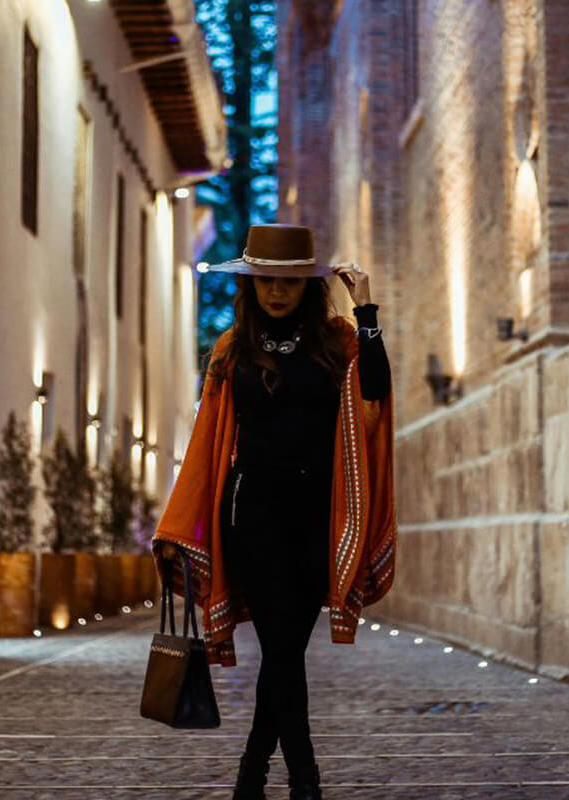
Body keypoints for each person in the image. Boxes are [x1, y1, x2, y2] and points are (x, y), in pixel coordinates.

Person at [153, 223, 397, 800]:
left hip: (317, 519)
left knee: (284, 653)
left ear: (307, 284)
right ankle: (304, 782)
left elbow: (377, 388)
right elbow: (207, 442)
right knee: (283, 650)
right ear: (252, 283)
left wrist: (366, 310)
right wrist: (179, 524)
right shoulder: (232, 348)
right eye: (266, 280)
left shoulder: (338, 341)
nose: (277, 292)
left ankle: (252, 774)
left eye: (288, 281)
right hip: (253, 517)